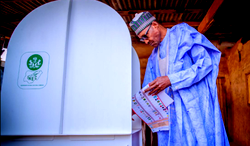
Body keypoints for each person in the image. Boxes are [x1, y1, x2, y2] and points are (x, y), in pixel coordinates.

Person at [129, 11, 229, 146]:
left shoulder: (182, 33)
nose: (146, 41)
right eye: (142, 39)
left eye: (145, 36)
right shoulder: (153, 57)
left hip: (193, 109)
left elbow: (205, 63)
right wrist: (137, 107)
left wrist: (171, 79)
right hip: (171, 116)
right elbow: (149, 88)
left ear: (154, 25)